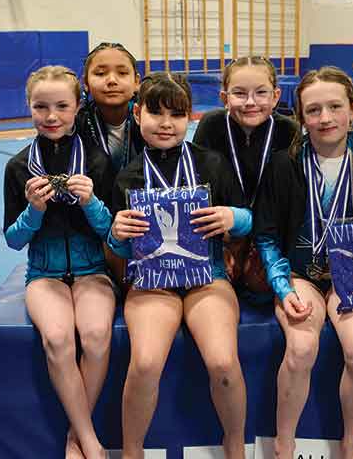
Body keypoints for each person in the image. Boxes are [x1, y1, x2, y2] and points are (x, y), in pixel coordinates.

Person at [253, 66, 353, 459]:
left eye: (335, 107)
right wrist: (284, 288)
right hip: (300, 273)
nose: (325, 118)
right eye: (314, 110)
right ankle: (284, 443)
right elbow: (268, 236)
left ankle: (352, 443)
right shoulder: (283, 165)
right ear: (300, 117)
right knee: (302, 347)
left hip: (351, 276)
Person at [108, 73, 252, 459]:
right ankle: (132, 451)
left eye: (177, 113)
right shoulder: (127, 175)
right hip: (152, 282)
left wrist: (231, 217)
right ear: (137, 115)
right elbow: (115, 250)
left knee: (222, 361)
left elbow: (248, 219)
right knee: (145, 363)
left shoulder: (212, 164)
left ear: (191, 117)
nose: (166, 123)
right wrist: (115, 234)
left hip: (208, 278)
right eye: (155, 112)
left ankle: (234, 444)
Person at [3, 66, 116, 459]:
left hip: (91, 271)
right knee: (57, 339)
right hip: (44, 275)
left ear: (78, 106)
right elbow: (13, 239)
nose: (51, 116)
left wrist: (91, 202)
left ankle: (74, 436)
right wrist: (33, 210)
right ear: (29, 108)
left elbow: (114, 235)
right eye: (41, 106)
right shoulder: (18, 167)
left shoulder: (98, 161)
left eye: (61, 106)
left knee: (97, 337)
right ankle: (89, 441)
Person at [192, 56, 298, 296]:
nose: (251, 102)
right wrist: (221, 244)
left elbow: (289, 200)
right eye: (239, 93)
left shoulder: (287, 130)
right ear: (224, 98)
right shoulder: (212, 125)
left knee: (259, 283)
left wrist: (259, 243)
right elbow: (199, 192)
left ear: (276, 96)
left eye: (261, 93)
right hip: (222, 230)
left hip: (268, 232)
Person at [77, 42, 144, 171]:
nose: (112, 80)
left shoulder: (150, 121)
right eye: (101, 73)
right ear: (86, 83)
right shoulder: (77, 127)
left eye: (122, 73)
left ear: (136, 82)